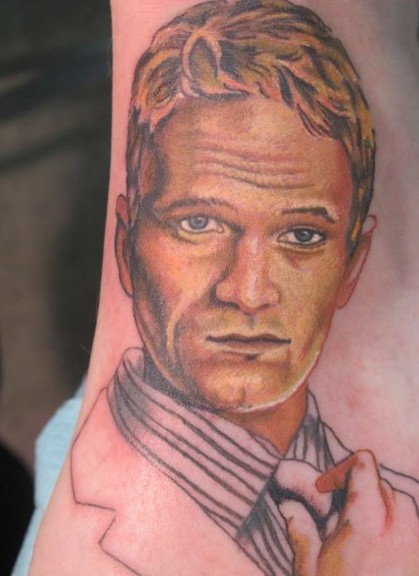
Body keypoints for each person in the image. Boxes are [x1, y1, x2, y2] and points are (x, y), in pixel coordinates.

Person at [30, 1, 419, 575]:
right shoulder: (95, 545)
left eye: (302, 235)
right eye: (199, 224)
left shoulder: (396, 504)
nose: (249, 291)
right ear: (126, 245)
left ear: (353, 264)